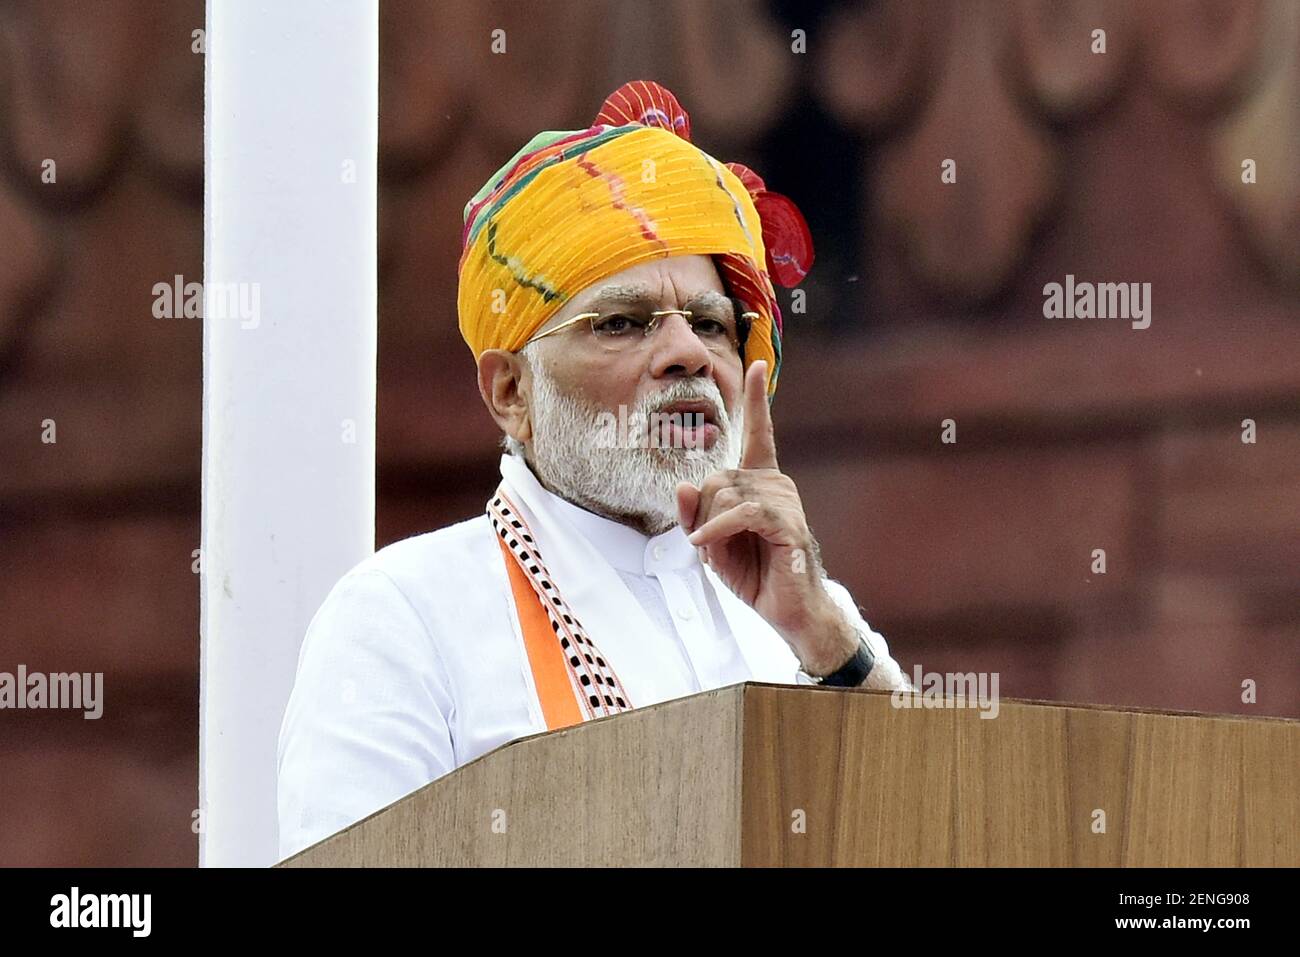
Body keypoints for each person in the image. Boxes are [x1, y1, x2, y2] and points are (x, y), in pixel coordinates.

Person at [277, 80, 909, 861]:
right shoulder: (405, 617)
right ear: (512, 390)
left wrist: (823, 634)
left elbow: (931, 836)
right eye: (621, 322)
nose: (687, 353)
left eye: (712, 323)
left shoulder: (806, 616)